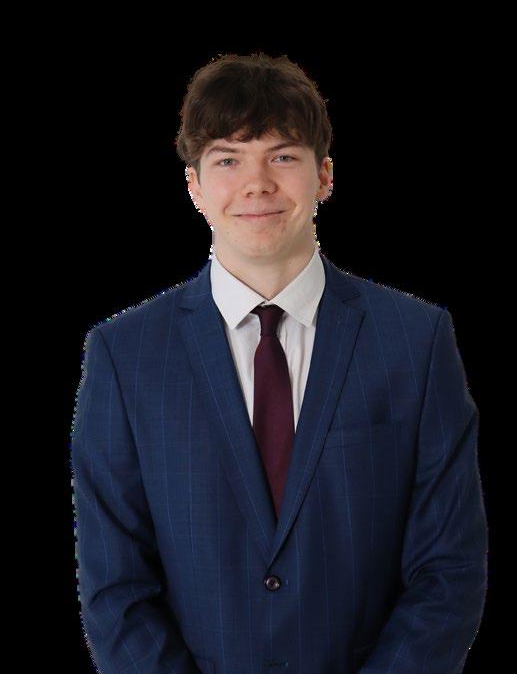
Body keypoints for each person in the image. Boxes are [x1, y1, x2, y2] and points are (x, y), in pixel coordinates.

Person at [70, 52, 488, 673]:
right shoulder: (124, 354)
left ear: (325, 175)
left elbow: (448, 570)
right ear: (194, 186)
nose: (257, 183)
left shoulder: (415, 341)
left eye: (283, 156)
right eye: (228, 159)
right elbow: (114, 586)